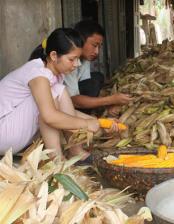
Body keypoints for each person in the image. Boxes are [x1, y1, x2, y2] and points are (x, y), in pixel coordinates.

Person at [0, 28, 101, 160]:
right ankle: (56, 160)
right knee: (54, 95)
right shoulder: (38, 74)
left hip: (12, 133)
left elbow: (65, 113)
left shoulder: (51, 74)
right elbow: (50, 116)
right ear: (54, 56)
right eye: (72, 59)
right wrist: (86, 124)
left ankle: (76, 151)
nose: (77, 64)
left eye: (78, 59)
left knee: (59, 91)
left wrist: (96, 121)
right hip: (4, 134)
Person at [64, 20, 131, 116]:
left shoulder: (85, 58)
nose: (97, 52)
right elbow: (73, 100)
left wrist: (108, 104)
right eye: (94, 45)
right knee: (94, 83)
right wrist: (110, 100)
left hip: (72, 95)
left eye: (99, 47)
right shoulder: (67, 62)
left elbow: (86, 84)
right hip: (64, 104)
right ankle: (82, 114)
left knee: (97, 77)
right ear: (81, 40)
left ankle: (88, 109)